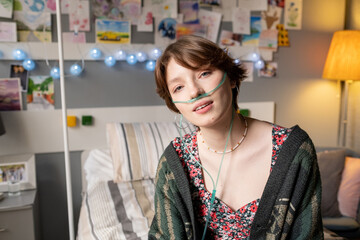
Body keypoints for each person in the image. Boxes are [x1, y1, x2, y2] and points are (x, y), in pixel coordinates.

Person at [148, 35, 323, 240]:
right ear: (174, 104)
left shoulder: (295, 152)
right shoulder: (173, 163)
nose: (194, 91)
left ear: (230, 78)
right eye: (179, 87)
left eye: (204, 73)